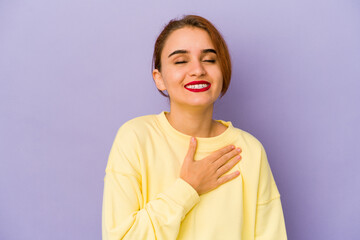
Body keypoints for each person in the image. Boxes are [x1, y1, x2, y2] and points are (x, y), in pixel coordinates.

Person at [102, 15, 287, 240]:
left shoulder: (249, 150)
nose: (198, 70)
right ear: (159, 79)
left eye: (209, 60)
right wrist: (188, 188)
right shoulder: (135, 138)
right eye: (181, 61)